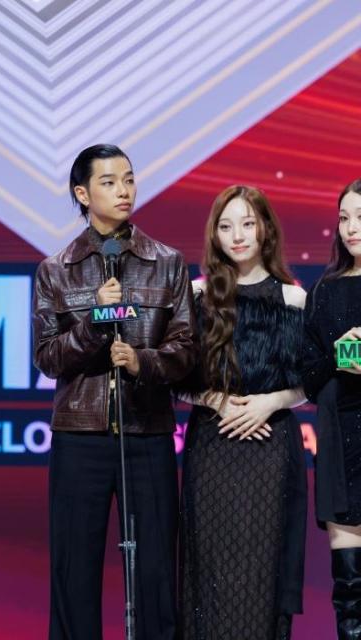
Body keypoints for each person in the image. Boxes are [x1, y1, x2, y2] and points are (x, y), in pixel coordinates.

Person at [32, 144, 197, 640]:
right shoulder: (55, 270)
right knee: (73, 571)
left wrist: (142, 361)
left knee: (155, 572)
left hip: (147, 430)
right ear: (82, 194)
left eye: (128, 179)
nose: (123, 190)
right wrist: (93, 323)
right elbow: (46, 356)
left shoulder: (167, 263)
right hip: (79, 436)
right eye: (108, 182)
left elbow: (186, 350)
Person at [179, 185, 307, 639]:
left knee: (262, 575)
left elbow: (310, 381)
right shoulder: (196, 295)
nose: (237, 235)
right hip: (212, 450)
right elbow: (176, 378)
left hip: (271, 452)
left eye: (248, 224)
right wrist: (219, 402)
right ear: (214, 234)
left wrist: (269, 403)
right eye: (226, 226)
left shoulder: (294, 299)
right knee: (209, 578)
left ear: (265, 229)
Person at [301, 179, 361, 639]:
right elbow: (308, 377)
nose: (351, 228)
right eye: (344, 218)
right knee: (351, 591)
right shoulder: (324, 291)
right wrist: (341, 354)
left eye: (360, 217)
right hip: (342, 443)